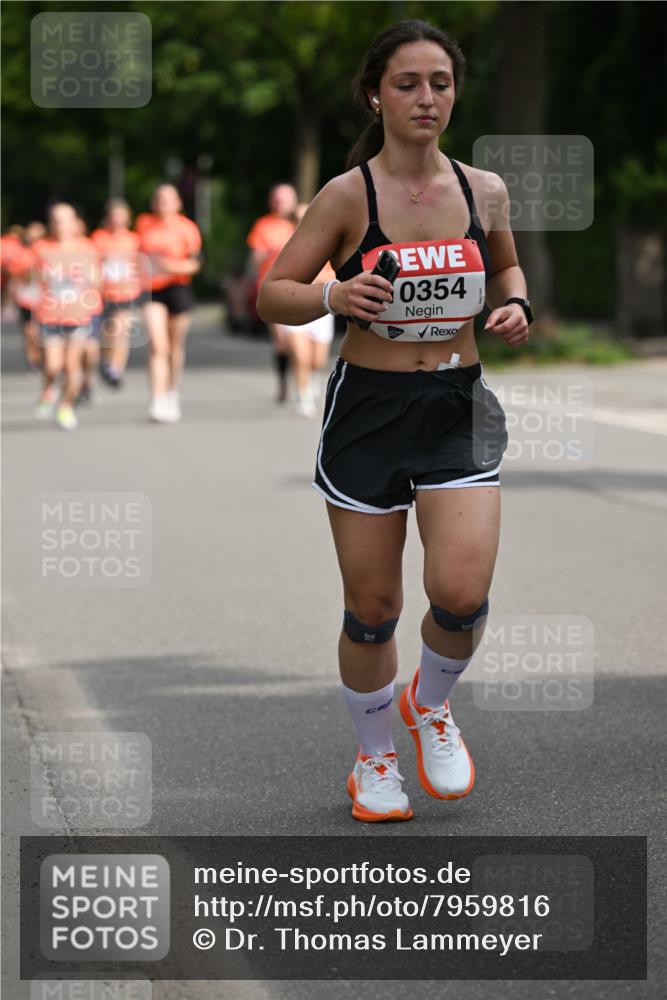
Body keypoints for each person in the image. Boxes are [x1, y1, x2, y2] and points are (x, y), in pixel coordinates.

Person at [258, 20, 531, 822]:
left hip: (456, 402)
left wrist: (511, 300)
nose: (425, 98)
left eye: (439, 83)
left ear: (455, 92)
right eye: (407, 83)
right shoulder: (347, 196)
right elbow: (276, 290)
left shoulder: (483, 190)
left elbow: (505, 262)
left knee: (459, 593)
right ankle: (374, 759)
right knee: (371, 610)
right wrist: (332, 296)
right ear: (375, 93)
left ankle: (431, 704)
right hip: (369, 414)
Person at [31, 203, 102, 430]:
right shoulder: (41, 248)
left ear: (74, 223)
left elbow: (98, 281)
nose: (60, 225)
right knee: (52, 366)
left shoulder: (87, 248)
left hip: (78, 316)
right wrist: (38, 275)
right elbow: (26, 277)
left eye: (65, 220)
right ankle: (49, 389)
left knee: (73, 367)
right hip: (50, 315)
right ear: (50, 223)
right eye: (56, 220)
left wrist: (90, 278)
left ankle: (66, 407)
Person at [136, 184, 202, 423]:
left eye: (168, 198)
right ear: (153, 203)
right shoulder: (144, 224)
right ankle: (157, 398)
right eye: (159, 198)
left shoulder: (187, 228)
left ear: (178, 203)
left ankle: (172, 393)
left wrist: (171, 266)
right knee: (158, 345)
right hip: (151, 289)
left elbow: (195, 265)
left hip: (178, 288)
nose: (163, 202)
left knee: (174, 346)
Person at [281, 202, 337, 417]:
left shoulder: (328, 240)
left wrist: (318, 279)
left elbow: (336, 275)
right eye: (298, 218)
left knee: (318, 360)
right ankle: (303, 395)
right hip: (294, 305)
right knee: (300, 356)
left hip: (321, 306)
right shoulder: (285, 244)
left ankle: (312, 380)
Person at [246, 183, 298, 403]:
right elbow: (254, 257)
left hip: (301, 286)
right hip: (273, 287)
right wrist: (267, 254)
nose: (280, 203)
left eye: (285, 198)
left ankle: (306, 377)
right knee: (283, 341)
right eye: (277, 198)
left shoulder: (303, 221)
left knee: (304, 342)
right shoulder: (263, 225)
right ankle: (284, 382)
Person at [91, 199, 142, 389]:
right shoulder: (99, 238)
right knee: (106, 333)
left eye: (121, 216)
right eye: (114, 216)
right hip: (103, 293)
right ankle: (105, 362)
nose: (117, 220)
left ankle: (116, 370)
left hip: (127, 291)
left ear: (128, 217)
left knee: (121, 330)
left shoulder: (134, 239)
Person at [6, 221, 46, 371]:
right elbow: (14, 273)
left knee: (40, 330)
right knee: (29, 330)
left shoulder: (46, 250)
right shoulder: (22, 253)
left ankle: (42, 356)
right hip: (27, 296)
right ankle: (32, 360)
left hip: (44, 296)